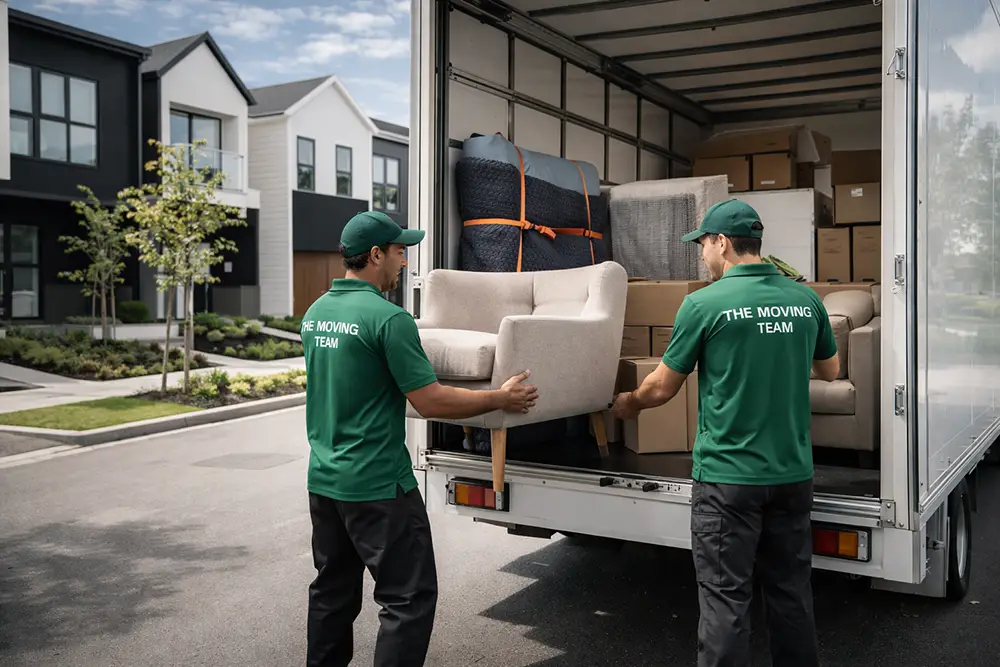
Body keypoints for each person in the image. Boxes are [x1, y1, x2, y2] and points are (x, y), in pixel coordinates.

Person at [301, 210, 539, 667]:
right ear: (374, 255)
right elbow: (430, 402)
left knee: (332, 594)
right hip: (379, 487)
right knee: (407, 600)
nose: (403, 262)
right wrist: (499, 399)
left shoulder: (315, 315)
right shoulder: (389, 320)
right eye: (397, 252)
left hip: (325, 483)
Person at [611, 200, 839, 667]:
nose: (701, 256)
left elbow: (661, 388)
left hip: (727, 481)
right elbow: (831, 370)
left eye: (702, 245)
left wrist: (627, 403)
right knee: (791, 593)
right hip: (792, 474)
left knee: (725, 601)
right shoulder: (806, 299)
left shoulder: (704, 303)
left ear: (723, 243)